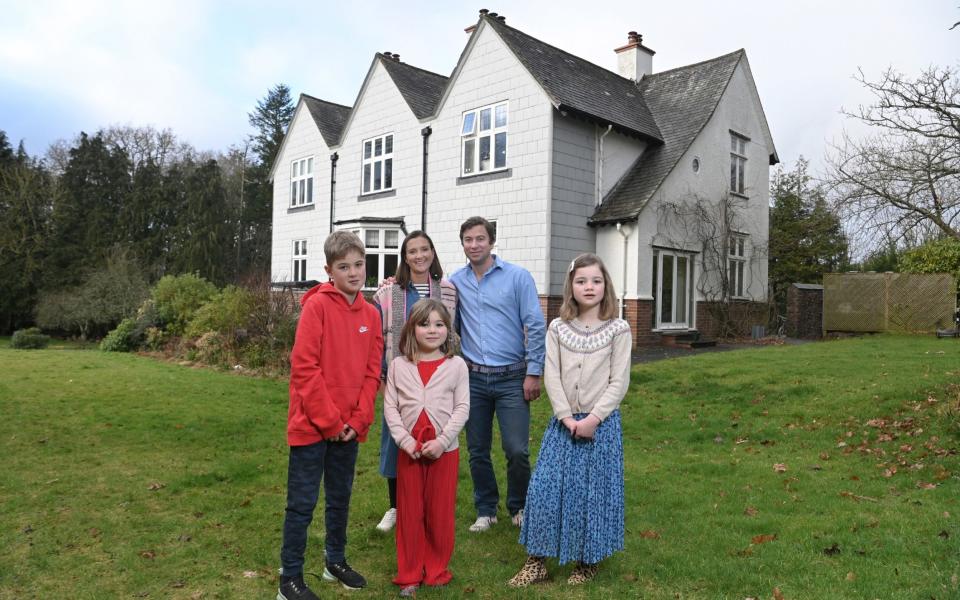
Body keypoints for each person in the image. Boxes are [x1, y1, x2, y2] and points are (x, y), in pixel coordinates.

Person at [508, 253, 632, 587]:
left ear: (605, 285)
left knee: (592, 494)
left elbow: (619, 381)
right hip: (562, 425)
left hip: (601, 426)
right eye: (581, 281)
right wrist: (565, 416)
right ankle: (537, 562)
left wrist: (593, 418)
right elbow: (552, 375)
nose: (589, 287)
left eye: (595, 280)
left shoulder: (618, 329)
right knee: (545, 490)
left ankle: (587, 560)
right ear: (571, 287)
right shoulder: (558, 328)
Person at [278, 230, 384, 600]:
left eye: (359, 264)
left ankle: (333, 561)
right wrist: (331, 422)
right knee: (302, 504)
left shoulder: (371, 314)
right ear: (329, 270)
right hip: (311, 426)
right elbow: (305, 368)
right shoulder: (316, 307)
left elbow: (373, 373)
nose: (354, 273)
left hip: (349, 430)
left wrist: (357, 422)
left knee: (340, 497)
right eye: (344, 267)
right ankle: (289, 578)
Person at [448, 216, 546, 532]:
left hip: (512, 378)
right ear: (462, 243)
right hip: (473, 379)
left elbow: (535, 324)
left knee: (516, 449)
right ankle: (486, 510)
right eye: (468, 239)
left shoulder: (518, 278)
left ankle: (519, 507)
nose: (474, 245)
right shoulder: (455, 282)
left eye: (480, 238)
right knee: (477, 449)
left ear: (491, 241)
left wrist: (534, 371)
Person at [383, 298, 470, 597]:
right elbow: (391, 408)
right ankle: (409, 572)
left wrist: (443, 440)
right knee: (409, 512)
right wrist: (405, 441)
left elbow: (462, 407)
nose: (432, 330)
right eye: (424, 324)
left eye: (439, 324)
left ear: (448, 329)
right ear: (412, 328)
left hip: (443, 449)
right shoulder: (398, 366)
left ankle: (435, 569)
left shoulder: (456, 366)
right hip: (410, 450)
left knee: (439, 511)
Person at [372, 231, 457, 533]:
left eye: (424, 249)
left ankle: (427, 503)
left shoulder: (447, 290)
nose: (419, 256)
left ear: (433, 253)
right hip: (400, 377)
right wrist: (382, 381)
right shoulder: (388, 292)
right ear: (404, 257)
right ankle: (396, 506)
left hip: (435, 378)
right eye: (412, 251)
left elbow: (452, 332)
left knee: (433, 435)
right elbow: (377, 336)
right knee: (396, 442)